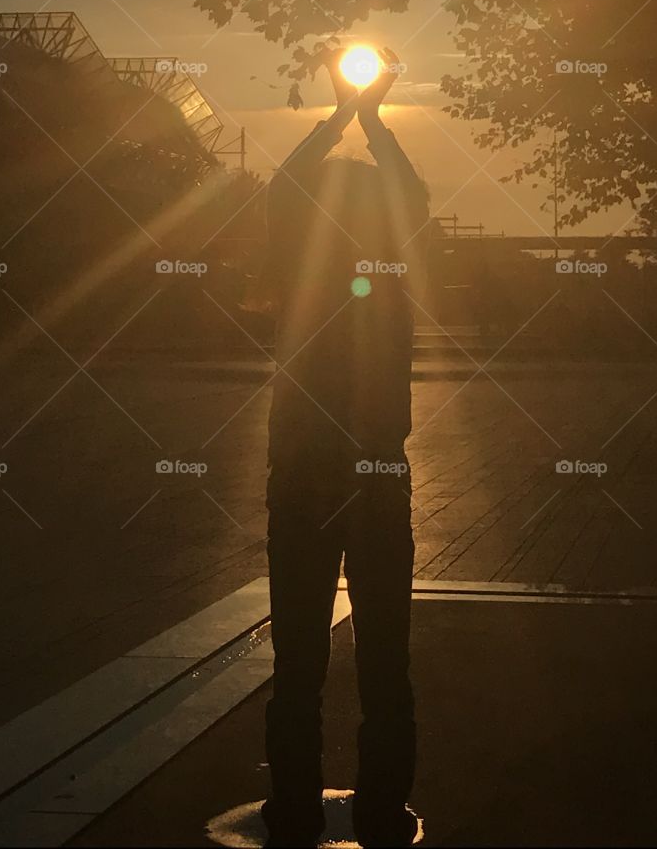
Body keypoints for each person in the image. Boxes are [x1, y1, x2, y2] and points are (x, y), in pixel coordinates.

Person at [261, 47, 429, 848]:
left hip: (297, 475)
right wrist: (371, 117)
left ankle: (290, 804)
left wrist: (336, 115)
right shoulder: (390, 271)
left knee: (296, 656)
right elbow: (414, 198)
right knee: (385, 659)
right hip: (376, 475)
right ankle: (383, 805)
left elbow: (283, 191)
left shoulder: (302, 270)